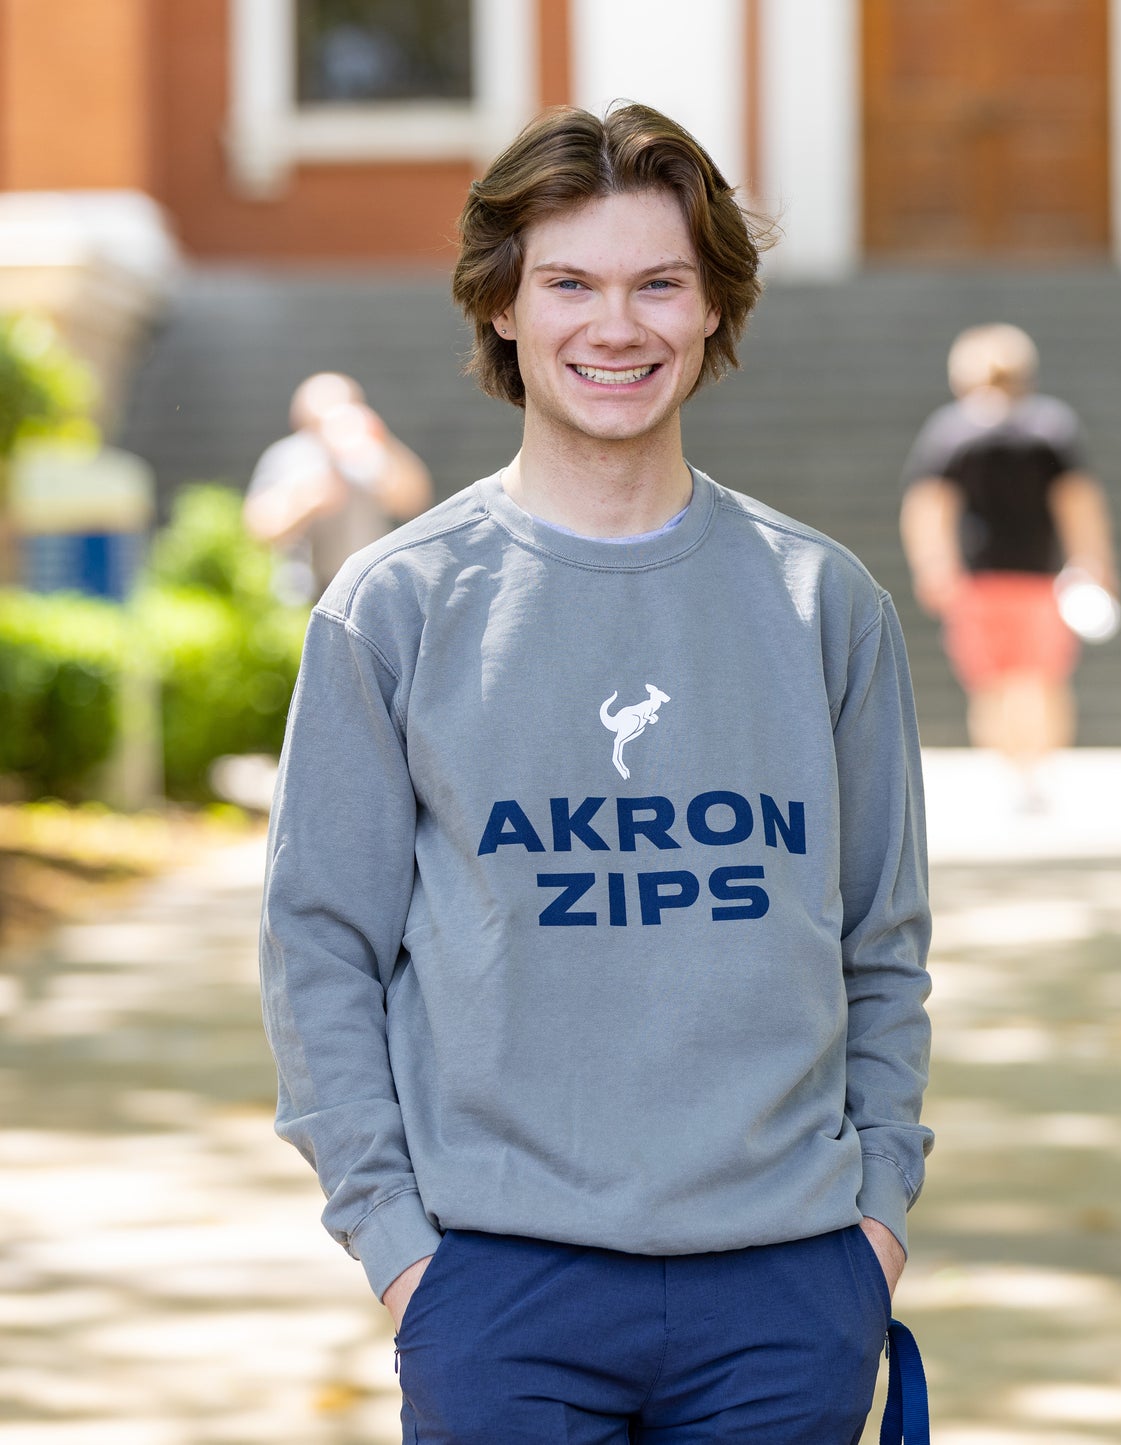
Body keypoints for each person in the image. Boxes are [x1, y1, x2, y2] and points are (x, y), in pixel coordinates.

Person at [259, 103, 932, 1443]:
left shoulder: (822, 603)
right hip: (499, 1288)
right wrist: (399, 1251)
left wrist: (874, 1225)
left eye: (656, 284)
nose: (612, 327)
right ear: (503, 305)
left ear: (709, 308)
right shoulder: (395, 608)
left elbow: (883, 944)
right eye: (568, 282)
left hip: (787, 1288)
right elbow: (316, 947)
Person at [899, 323, 1117, 802]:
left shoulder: (951, 431)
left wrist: (933, 565)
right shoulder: (1052, 428)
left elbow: (927, 507)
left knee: (991, 682)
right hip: (1041, 579)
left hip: (978, 582)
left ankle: (1010, 768)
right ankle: (1037, 769)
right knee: (1043, 679)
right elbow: (1079, 504)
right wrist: (1094, 563)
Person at [244, 371, 433, 602]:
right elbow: (257, 529)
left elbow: (413, 501)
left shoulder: (370, 454)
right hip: (301, 594)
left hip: (362, 590)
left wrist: (383, 440)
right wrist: (310, 498)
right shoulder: (288, 456)